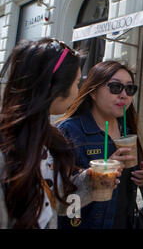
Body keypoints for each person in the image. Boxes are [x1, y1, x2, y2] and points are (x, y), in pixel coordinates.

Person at [0, 38, 118, 229]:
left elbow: (55, 200)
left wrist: (89, 180)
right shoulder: (7, 150)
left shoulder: (46, 139)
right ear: (53, 86)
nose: (78, 90)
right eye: (76, 82)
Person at [56, 61, 143, 229]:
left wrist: (141, 174)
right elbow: (56, 199)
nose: (124, 95)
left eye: (129, 89)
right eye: (115, 87)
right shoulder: (69, 132)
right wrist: (97, 175)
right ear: (93, 92)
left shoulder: (127, 131)